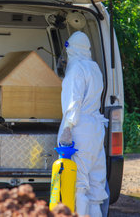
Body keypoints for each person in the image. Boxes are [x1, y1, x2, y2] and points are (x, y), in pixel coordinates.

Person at [58, 31, 108, 217]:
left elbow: (74, 100)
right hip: (96, 128)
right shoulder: (94, 67)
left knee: (78, 184)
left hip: (80, 128)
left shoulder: (76, 69)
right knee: (95, 184)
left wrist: (68, 127)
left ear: (71, 49)